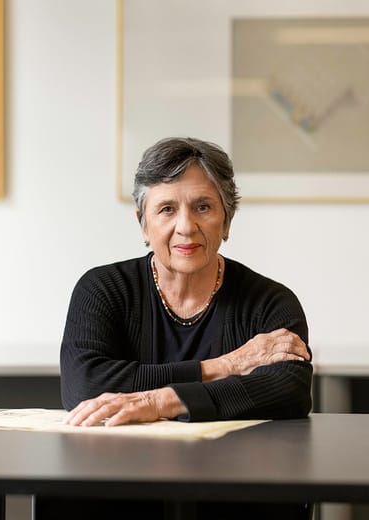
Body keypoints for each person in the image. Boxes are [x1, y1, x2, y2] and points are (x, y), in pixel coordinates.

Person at [45, 137, 313, 520]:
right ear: (143, 223)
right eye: (166, 209)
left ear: (227, 220)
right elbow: (85, 385)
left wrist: (160, 401)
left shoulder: (270, 301)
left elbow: (288, 391)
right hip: (117, 485)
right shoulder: (102, 289)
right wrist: (225, 366)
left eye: (203, 207)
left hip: (240, 488)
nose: (186, 227)